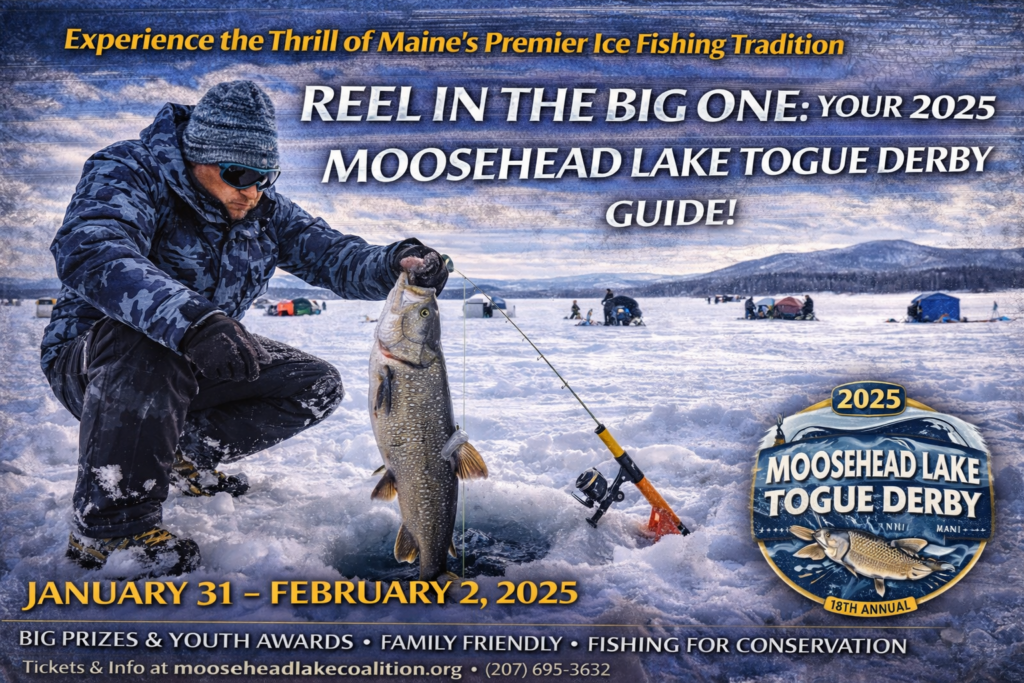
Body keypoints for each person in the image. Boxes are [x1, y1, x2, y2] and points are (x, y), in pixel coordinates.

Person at [41, 81, 449, 576]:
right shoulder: (131, 171)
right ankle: (111, 529)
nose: (252, 192)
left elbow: (336, 257)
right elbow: (90, 248)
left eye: (265, 176)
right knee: (149, 336)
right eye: (239, 175)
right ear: (198, 157)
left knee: (314, 383)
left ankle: (181, 453)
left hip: (195, 357)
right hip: (97, 360)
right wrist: (193, 321)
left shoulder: (265, 210)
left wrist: (394, 264)